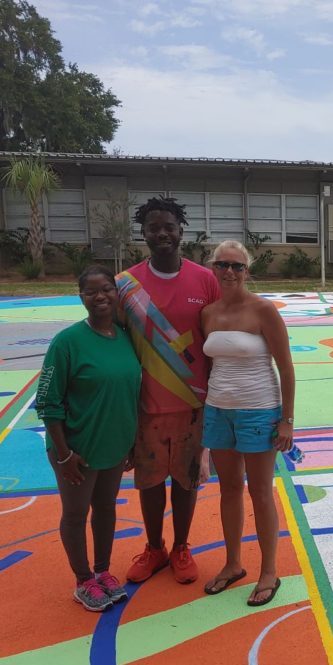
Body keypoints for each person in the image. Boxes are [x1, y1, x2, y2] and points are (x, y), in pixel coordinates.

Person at [117, 197, 221, 585]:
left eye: (170, 227)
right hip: (145, 404)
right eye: (153, 227)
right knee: (148, 482)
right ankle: (155, 547)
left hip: (193, 404)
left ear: (181, 232)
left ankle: (181, 546)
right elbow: (115, 339)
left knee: (186, 479)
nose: (162, 233)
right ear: (143, 233)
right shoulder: (125, 284)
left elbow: (217, 335)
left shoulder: (204, 280)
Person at [36, 265, 141, 611]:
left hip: (113, 445)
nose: (100, 297)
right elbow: (48, 402)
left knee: (107, 508)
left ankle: (103, 571)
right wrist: (64, 453)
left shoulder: (126, 336)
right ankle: (83, 580)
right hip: (77, 449)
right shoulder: (67, 343)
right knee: (76, 512)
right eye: (91, 292)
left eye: (107, 289)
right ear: (80, 297)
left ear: (117, 293)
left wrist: (130, 442)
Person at [200, 240, 296, 606]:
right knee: (228, 490)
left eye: (237, 266)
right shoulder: (208, 313)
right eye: (222, 264)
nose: (229, 272)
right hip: (218, 410)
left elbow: (285, 367)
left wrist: (286, 420)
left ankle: (269, 570)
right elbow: (209, 363)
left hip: (259, 410)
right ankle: (233, 564)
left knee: (260, 491)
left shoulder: (263, 310)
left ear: (247, 271)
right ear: (213, 268)